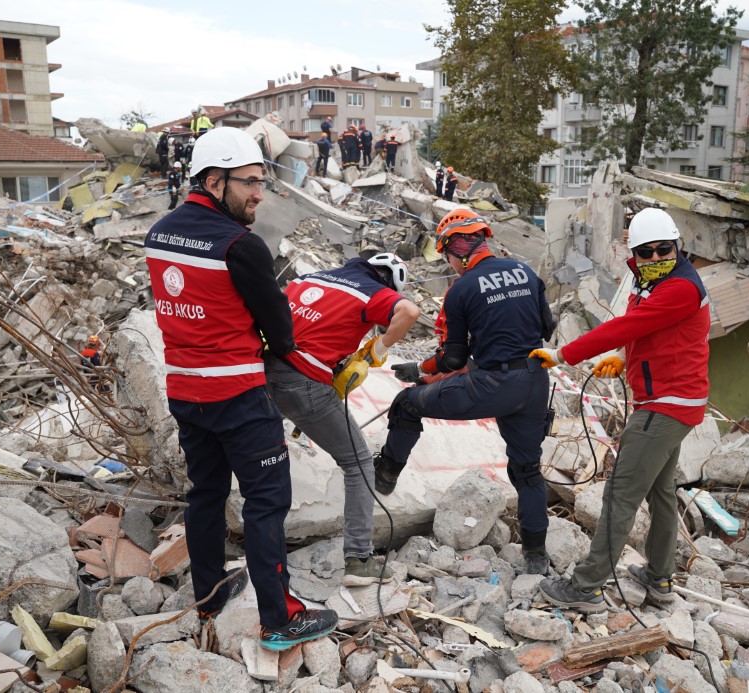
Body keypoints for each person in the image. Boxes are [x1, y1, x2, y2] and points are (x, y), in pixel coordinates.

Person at [144, 127, 338, 650]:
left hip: (186, 392)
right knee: (266, 503)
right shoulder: (240, 245)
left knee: (205, 494)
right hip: (240, 398)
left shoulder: (159, 234)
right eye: (250, 182)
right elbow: (280, 327)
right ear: (214, 179)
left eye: (261, 181)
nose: (259, 193)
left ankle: (208, 596)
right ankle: (279, 620)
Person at [532, 207, 710, 613]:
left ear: (676, 246)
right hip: (675, 402)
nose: (654, 258)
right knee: (662, 493)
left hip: (665, 406)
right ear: (634, 255)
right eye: (645, 253)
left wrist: (563, 354)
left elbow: (626, 326)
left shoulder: (679, 287)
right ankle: (660, 578)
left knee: (620, 496)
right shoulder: (650, 283)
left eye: (663, 250)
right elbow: (646, 330)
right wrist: (621, 357)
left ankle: (587, 586)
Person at [374, 208, 557, 574]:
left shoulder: (462, 289)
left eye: (447, 256)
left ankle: (385, 474)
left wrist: (419, 371)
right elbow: (547, 328)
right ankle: (536, 557)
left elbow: (452, 357)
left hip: (491, 384)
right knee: (527, 471)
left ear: (456, 250)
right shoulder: (526, 272)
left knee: (408, 404)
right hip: (535, 383)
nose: (450, 264)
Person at [265, 253, 420, 585]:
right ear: (387, 282)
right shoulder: (371, 290)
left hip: (262, 373)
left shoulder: (310, 278)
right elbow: (409, 312)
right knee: (359, 462)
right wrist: (379, 346)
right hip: (305, 384)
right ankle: (359, 560)